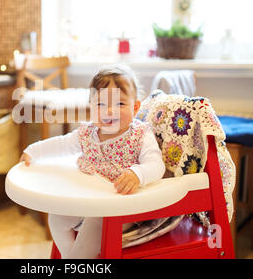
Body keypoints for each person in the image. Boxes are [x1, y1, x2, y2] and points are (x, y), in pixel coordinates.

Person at [19, 65, 166, 258]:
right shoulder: (86, 134)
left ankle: (77, 261)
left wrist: (137, 174)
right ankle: (70, 257)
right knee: (56, 217)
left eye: (120, 104)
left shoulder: (139, 135)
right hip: (87, 200)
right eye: (100, 105)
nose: (109, 111)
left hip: (121, 208)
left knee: (96, 220)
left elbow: (156, 165)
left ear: (135, 107)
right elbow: (60, 144)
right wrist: (33, 151)